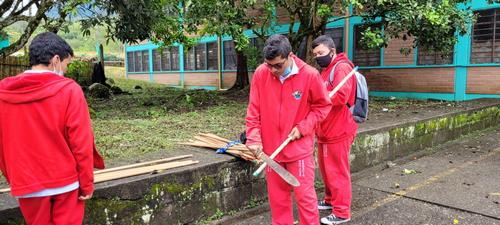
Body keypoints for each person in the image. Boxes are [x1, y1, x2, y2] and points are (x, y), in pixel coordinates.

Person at [0, 32, 105, 225]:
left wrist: (15, 178)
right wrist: (87, 184)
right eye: (66, 64)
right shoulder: (69, 90)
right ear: (56, 60)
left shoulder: (3, 93)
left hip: (27, 184)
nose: (66, 70)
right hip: (65, 182)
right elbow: (81, 143)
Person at [245, 34, 332, 225]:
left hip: (298, 150)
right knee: (278, 202)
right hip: (271, 152)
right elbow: (254, 110)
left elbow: (322, 106)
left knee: (305, 199)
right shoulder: (261, 73)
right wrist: (253, 139)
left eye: (278, 65)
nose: (273, 70)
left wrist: (304, 127)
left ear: (290, 55)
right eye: (269, 65)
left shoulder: (309, 75)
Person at [311, 35, 358, 225]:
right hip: (325, 131)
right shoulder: (326, 70)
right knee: (326, 169)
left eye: (321, 53)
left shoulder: (342, 67)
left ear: (332, 51)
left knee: (337, 171)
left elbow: (341, 95)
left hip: (338, 130)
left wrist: (320, 99)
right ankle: (330, 200)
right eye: (315, 55)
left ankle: (341, 212)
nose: (318, 57)